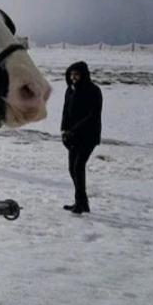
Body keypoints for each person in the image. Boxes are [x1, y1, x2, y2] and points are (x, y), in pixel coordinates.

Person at [61, 61, 103, 214]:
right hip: (72, 136)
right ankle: (81, 202)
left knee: (78, 167)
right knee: (72, 169)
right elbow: (65, 111)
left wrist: (73, 130)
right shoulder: (69, 90)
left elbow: (92, 115)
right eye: (71, 74)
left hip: (88, 136)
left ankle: (81, 203)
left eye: (76, 74)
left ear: (84, 75)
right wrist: (63, 130)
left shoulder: (94, 91)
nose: (73, 77)